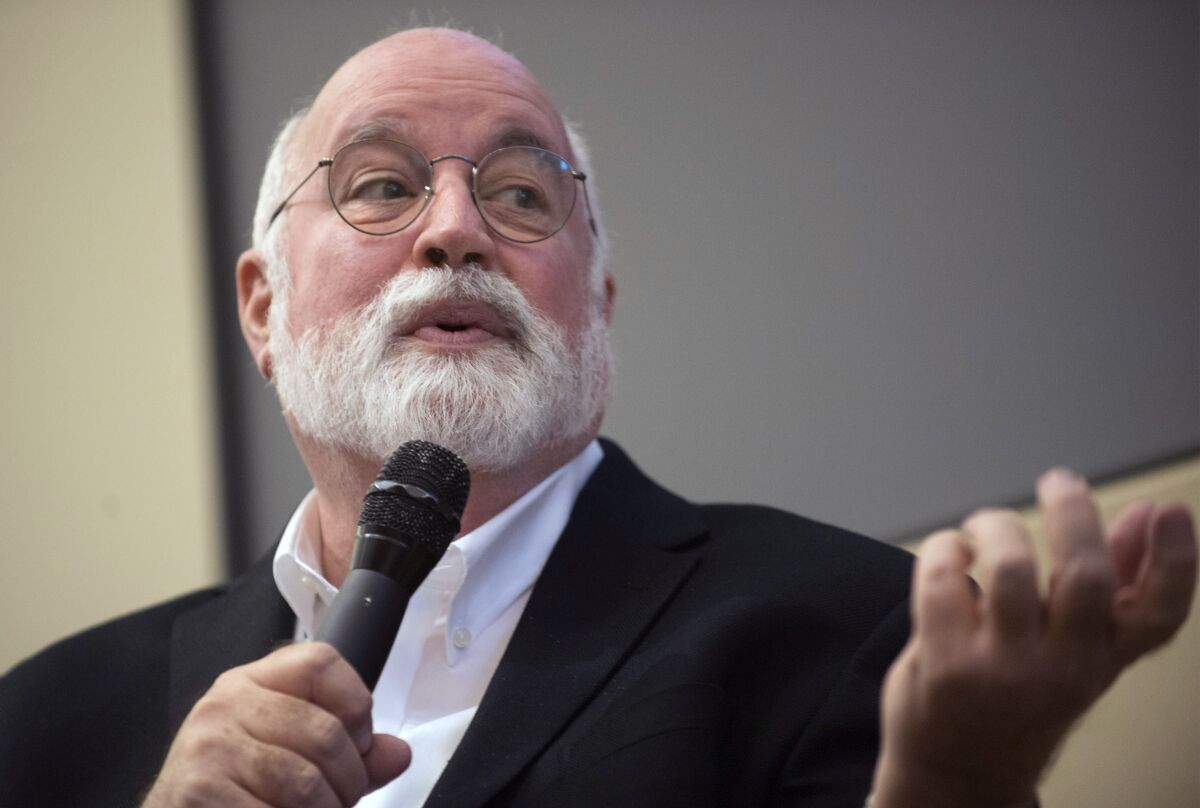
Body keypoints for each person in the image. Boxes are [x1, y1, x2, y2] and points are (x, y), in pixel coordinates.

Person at [1, 26, 1195, 808]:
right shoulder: (44, 728)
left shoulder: (851, 637)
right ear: (263, 309)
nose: (456, 228)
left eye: (523, 193)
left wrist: (957, 780)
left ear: (597, 310)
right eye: (380, 185)